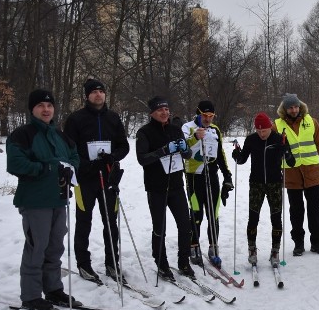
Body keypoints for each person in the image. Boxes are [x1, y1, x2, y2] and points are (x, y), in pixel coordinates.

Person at [6, 89, 81, 310]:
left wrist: (70, 168)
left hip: (59, 199)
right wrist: (46, 168)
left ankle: (53, 289)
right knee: (36, 247)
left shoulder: (60, 135)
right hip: (35, 200)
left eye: (49, 106)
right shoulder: (22, 135)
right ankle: (30, 296)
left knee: (55, 246)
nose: (46, 109)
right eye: (40, 106)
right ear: (32, 109)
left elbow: (74, 155)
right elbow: (15, 164)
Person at [63, 78, 130, 284]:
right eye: (93, 92)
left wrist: (113, 157)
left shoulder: (113, 118)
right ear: (87, 96)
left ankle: (112, 263)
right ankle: (84, 264)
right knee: (84, 222)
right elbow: (68, 150)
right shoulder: (76, 119)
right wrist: (86, 165)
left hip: (109, 179)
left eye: (101, 91)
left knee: (111, 222)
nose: (98, 94)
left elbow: (124, 146)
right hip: (85, 180)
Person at [135, 97, 195, 280]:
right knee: (159, 228)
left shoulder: (176, 129)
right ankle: (161, 263)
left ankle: (184, 261)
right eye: (160, 110)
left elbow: (187, 154)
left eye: (166, 109)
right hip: (156, 188)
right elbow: (142, 158)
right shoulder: (144, 132)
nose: (164, 112)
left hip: (176, 185)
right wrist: (163, 150)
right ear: (152, 113)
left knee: (185, 225)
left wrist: (186, 150)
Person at [232, 112, 296, 267]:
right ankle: (252, 249)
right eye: (259, 131)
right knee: (253, 217)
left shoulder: (279, 139)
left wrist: (286, 152)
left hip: (274, 183)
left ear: (270, 127)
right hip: (256, 183)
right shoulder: (251, 140)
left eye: (264, 130)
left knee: (276, 217)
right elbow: (242, 160)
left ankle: (275, 250)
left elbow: (292, 162)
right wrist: (236, 155)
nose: (261, 134)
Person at [274, 93, 319, 256]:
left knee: (314, 209)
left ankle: (317, 242)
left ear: (300, 106)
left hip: (311, 172)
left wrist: (309, 158)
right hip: (291, 174)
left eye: (296, 106)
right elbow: (275, 149)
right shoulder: (277, 125)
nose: (294, 109)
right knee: (296, 211)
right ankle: (298, 243)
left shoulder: (311, 121)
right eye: (290, 107)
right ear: (285, 109)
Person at [181, 100, 233, 268]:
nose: (208, 119)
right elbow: (183, 150)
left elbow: (220, 154)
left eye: (211, 116)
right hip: (194, 176)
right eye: (205, 115)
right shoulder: (187, 128)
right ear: (198, 113)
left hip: (212, 175)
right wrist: (195, 137)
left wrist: (227, 176)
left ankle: (213, 246)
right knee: (196, 213)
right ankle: (194, 246)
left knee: (213, 213)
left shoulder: (215, 129)